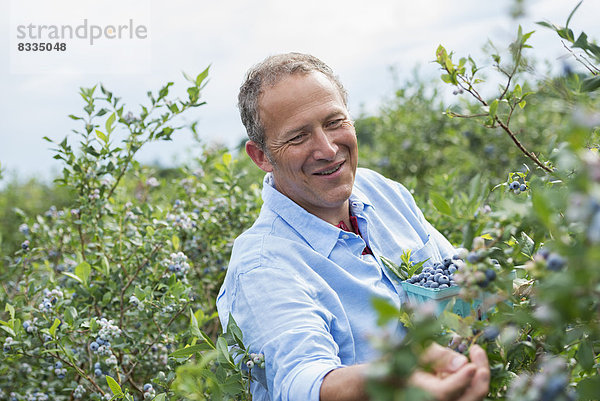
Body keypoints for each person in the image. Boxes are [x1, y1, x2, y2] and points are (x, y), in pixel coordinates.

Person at [216, 53, 490, 401]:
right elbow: (302, 382)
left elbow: (461, 281)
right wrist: (395, 378)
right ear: (262, 157)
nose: (328, 149)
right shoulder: (263, 267)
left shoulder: (382, 192)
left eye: (334, 122)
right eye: (299, 137)